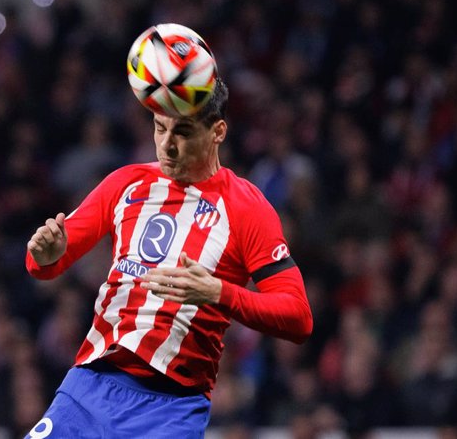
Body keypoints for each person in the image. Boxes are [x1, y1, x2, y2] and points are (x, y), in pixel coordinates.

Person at [24, 73, 313, 437]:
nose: (167, 146)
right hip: (88, 390)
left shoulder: (247, 208)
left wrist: (217, 293)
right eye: (160, 128)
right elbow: (42, 266)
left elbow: (298, 317)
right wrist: (47, 253)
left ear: (218, 132)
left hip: (169, 410)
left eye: (184, 132)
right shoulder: (126, 183)